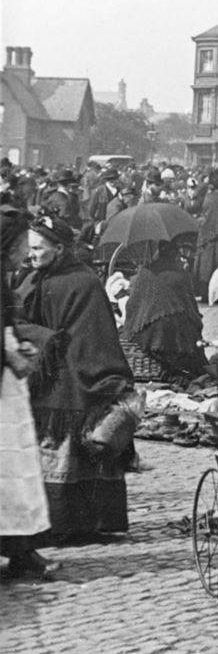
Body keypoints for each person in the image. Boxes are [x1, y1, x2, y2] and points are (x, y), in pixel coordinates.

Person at [16, 214, 136, 539]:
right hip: (38, 371)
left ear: (59, 248)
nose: (31, 254)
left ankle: (78, 523)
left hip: (73, 371)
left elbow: (93, 336)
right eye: (28, 247)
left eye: (39, 248)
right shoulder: (32, 278)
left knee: (74, 444)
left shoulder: (83, 282)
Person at [0, 206, 61, 579]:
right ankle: (20, 549)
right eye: (24, 242)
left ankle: (21, 547)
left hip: (8, 387)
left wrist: (15, 343)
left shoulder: (5, 278)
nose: (27, 250)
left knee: (16, 468)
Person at [122, 241, 207, 380]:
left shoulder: (145, 272)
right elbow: (191, 307)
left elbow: (132, 306)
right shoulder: (181, 274)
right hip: (177, 338)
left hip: (149, 337)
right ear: (175, 255)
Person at [192, 171, 218, 300]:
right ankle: (212, 294)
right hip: (216, 237)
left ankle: (205, 292)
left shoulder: (207, 198)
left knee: (204, 266)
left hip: (206, 236)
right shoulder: (217, 201)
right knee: (212, 266)